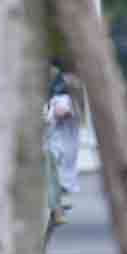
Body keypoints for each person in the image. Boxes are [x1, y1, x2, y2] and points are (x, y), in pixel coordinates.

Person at [45, 63, 82, 218]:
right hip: (59, 152)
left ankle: (56, 208)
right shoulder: (60, 100)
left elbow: (62, 111)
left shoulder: (64, 100)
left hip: (58, 152)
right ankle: (56, 208)